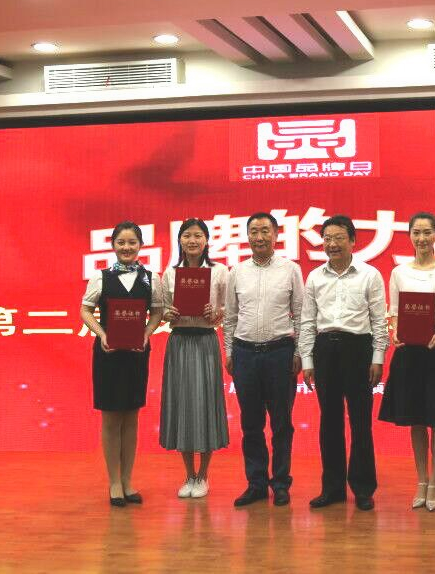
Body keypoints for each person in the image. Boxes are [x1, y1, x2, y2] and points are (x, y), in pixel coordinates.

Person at [378, 212, 435, 511]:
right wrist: (394, 332)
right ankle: (421, 480)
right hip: (409, 350)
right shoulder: (399, 272)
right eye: (416, 232)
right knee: (416, 418)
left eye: (427, 232)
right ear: (409, 235)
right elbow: (394, 311)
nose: (421, 238)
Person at [298, 214, 389, 511]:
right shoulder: (315, 277)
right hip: (325, 349)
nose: (332, 244)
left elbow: (379, 321)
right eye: (327, 239)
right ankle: (333, 488)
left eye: (339, 238)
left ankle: (363, 488)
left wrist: (377, 358)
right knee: (330, 421)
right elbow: (307, 321)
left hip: (358, 349)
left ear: (352, 241)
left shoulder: (369, 275)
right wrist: (307, 360)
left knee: (360, 422)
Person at [80, 221, 164, 507]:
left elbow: (157, 312)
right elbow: (85, 309)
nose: (126, 247)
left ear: (141, 246)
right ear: (113, 245)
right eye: (121, 242)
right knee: (111, 417)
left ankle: (128, 481)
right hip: (108, 354)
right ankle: (114, 482)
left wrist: (146, 333)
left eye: (132, 242)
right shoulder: (101, 277)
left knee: (131, 417)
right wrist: (101, 333)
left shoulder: (150, 278)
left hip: (137, 353)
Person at [223, 212, 304, 507]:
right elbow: (230, 316)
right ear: (247, 236)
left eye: (265, 231)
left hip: (280, 353)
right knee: (251, 423)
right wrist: (229, 352)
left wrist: (299, 353)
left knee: (282, 423)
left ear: (276, 235)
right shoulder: (237, 272)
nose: (259, 237)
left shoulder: (291, 269)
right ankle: (256, 483)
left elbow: (301, 314)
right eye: (254, 231)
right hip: (245, 353)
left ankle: (280, 483)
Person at [158, 218, 230, 499]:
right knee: (182, 405)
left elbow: (229, 309)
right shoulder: (170, 273)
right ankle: (189, 474)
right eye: (187, 235)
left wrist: (217, 313)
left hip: (205, 341)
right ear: (180, 240)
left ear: (207, 240)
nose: (192, 240)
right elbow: (161, 311)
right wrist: (168, 313)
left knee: (206, 404)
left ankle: (204, 475)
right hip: (179, 342)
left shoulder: (219, 271)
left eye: (198, 235)